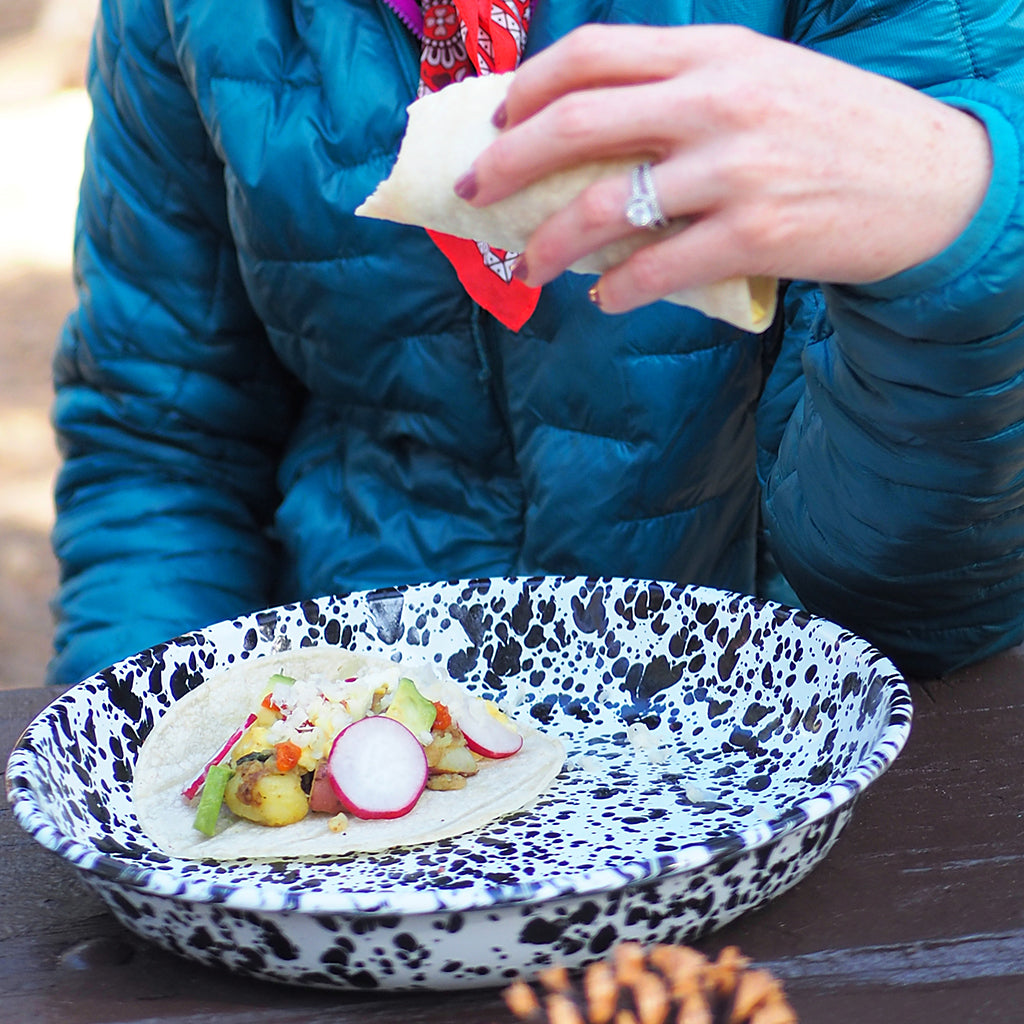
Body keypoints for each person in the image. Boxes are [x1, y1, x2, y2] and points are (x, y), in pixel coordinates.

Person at [48, 0, 1024, 688]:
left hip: (762, 763)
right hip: (365, 772)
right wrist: (168, 750)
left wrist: (957, 243)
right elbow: (163, 442)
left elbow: (922, 605)